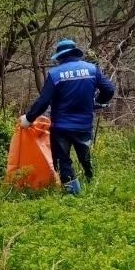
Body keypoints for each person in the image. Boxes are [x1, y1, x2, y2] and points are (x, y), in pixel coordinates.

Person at [20, 39, 116, 195]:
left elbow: (43, 101)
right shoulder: (92, 70)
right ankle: (93, 187)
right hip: (84, 126)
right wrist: (97, 102)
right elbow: (110, 90)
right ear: (74, 53)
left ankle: (74, 195)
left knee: (63, 162)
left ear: (60, 57)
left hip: (61, 128)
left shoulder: (55, 74)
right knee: (85, 159)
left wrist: (29, 118)